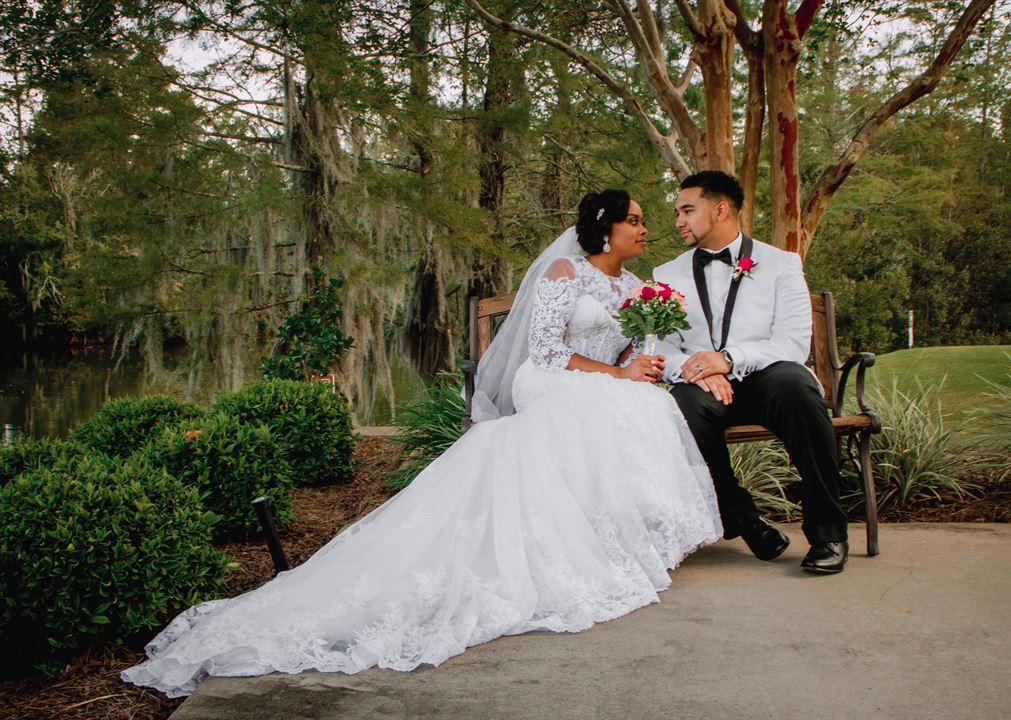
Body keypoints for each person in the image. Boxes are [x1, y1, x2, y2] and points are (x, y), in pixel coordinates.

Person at [122, 190, 723, 698]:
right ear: (605, 227)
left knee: (645, 404)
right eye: (635, 220)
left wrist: (639, 365)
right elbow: (543, 352)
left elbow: (629, 349)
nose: (645, 229)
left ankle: (618, 535)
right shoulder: (565, 273)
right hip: (551, 379)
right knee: (607, 405)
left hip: (601, 378)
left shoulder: (637, 286)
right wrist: (616, 374)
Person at [652, 171, 849, 574]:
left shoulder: (781, 264)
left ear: (721, 209)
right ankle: (745, 521)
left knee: (798, 388)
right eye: (678, 213)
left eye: (687, 211)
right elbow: (661, 348)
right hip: (702, 385)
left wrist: (728, 359)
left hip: (765, 377)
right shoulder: (665, 275)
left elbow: (793, 343)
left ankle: (828, 533)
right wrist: (696, 369)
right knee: (681, 406)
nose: (678, 221)